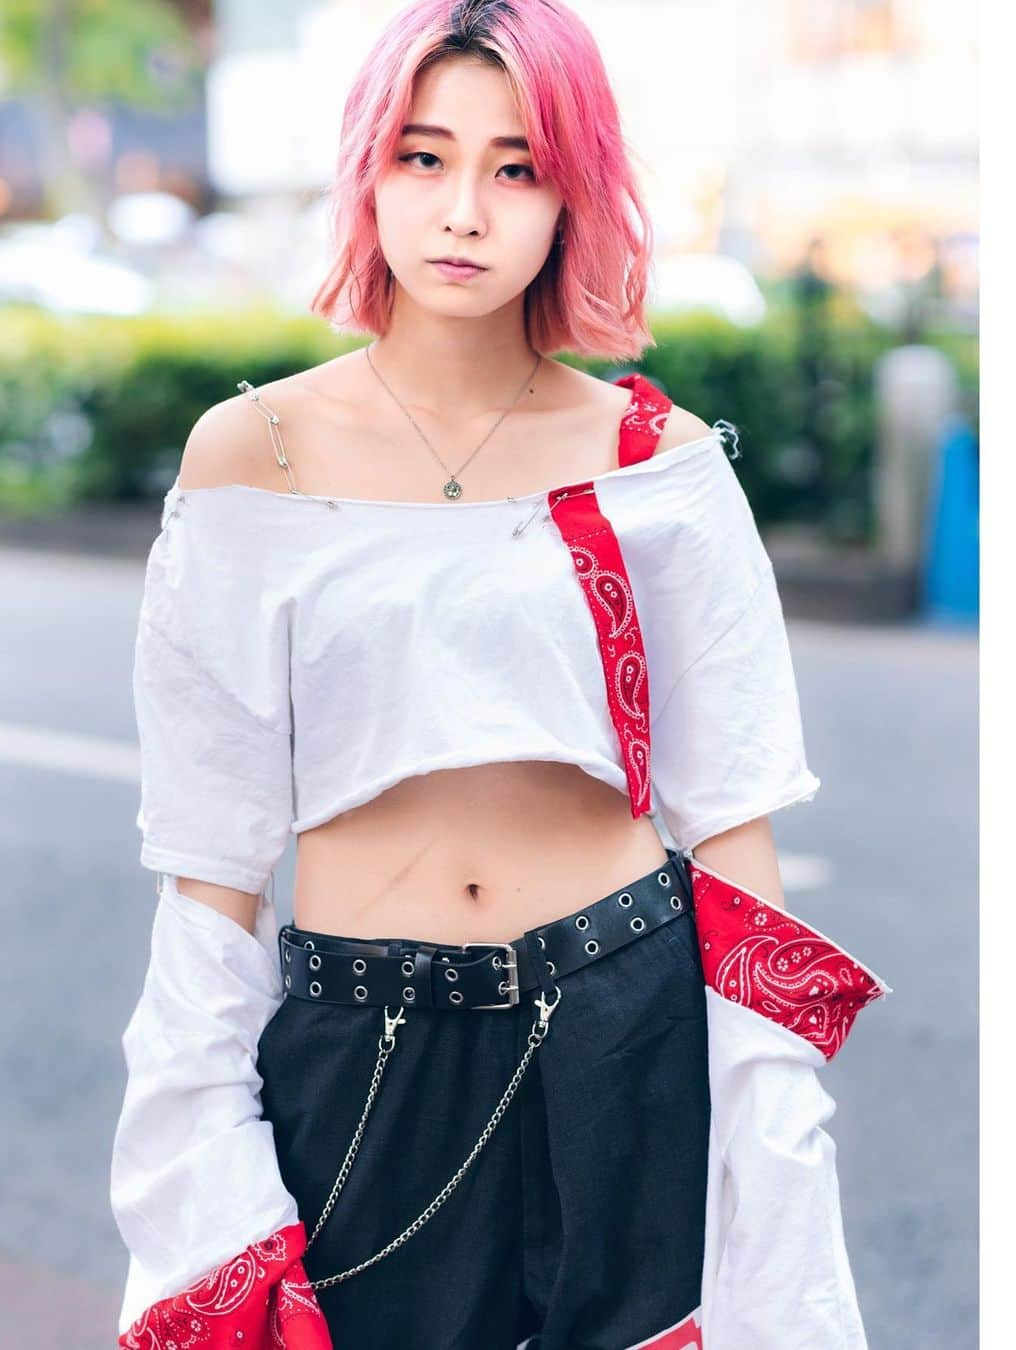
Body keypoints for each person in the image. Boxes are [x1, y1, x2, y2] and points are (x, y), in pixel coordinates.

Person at [109, 3, 892, 1348]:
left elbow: (737, 824)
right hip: (370, 1051)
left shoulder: (657, 461)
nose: (463, 208)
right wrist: (205, 1199)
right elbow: (209, 868)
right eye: (424, 157)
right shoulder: (254, 456)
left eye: (516, 167)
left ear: (570, 193)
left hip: (622, 1024)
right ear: (368, 170)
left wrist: (773, 1152)